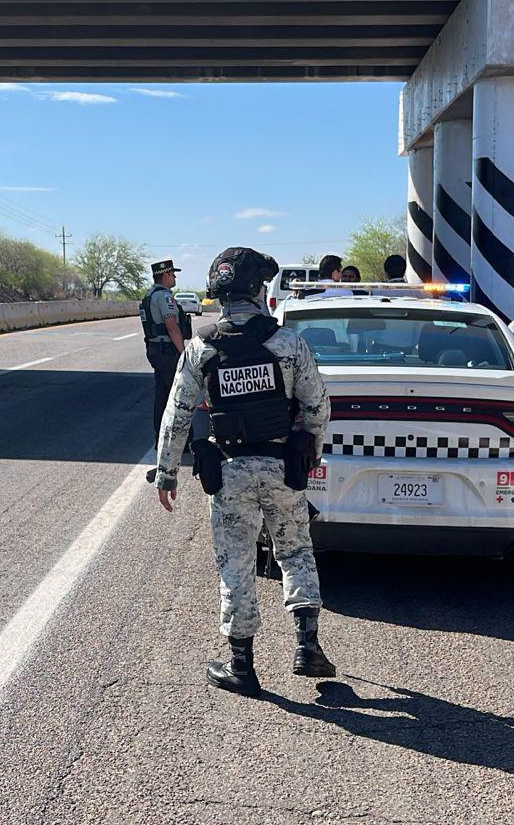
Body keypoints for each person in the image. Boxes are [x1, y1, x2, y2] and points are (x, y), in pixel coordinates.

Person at [154, 247, 334, 696]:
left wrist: (167, 472)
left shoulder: (201, 348)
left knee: (235, 563)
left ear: (217, 294)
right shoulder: (289, 343)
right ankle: (307, 645)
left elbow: (177, 415)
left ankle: (242, 666)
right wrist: (309, 448)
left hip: (230, 470)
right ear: (259, 290)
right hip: (283, 469)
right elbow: (317, 407)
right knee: (295, 551)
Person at [139, 259, 190, 439]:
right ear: (166, 274)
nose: (175, 277)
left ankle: (160, 437)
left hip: (155, 350)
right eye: (173, 273)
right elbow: (172, 326)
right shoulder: (164, 297)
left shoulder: (148, 296)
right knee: (181, 395)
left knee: (162, 396)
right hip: (167, 352)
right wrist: (183, 353)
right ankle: (181, 438)